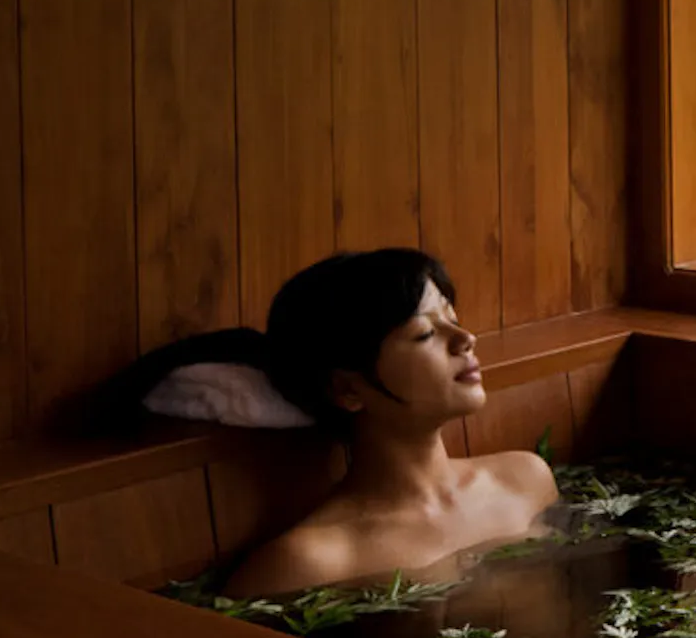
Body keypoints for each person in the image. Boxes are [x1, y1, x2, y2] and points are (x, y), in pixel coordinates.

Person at [114, 249, 560, 598]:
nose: (465, 339)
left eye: (453, 318)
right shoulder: (307, 564)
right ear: (347, 390)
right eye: (425, 333)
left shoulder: (526, 480)